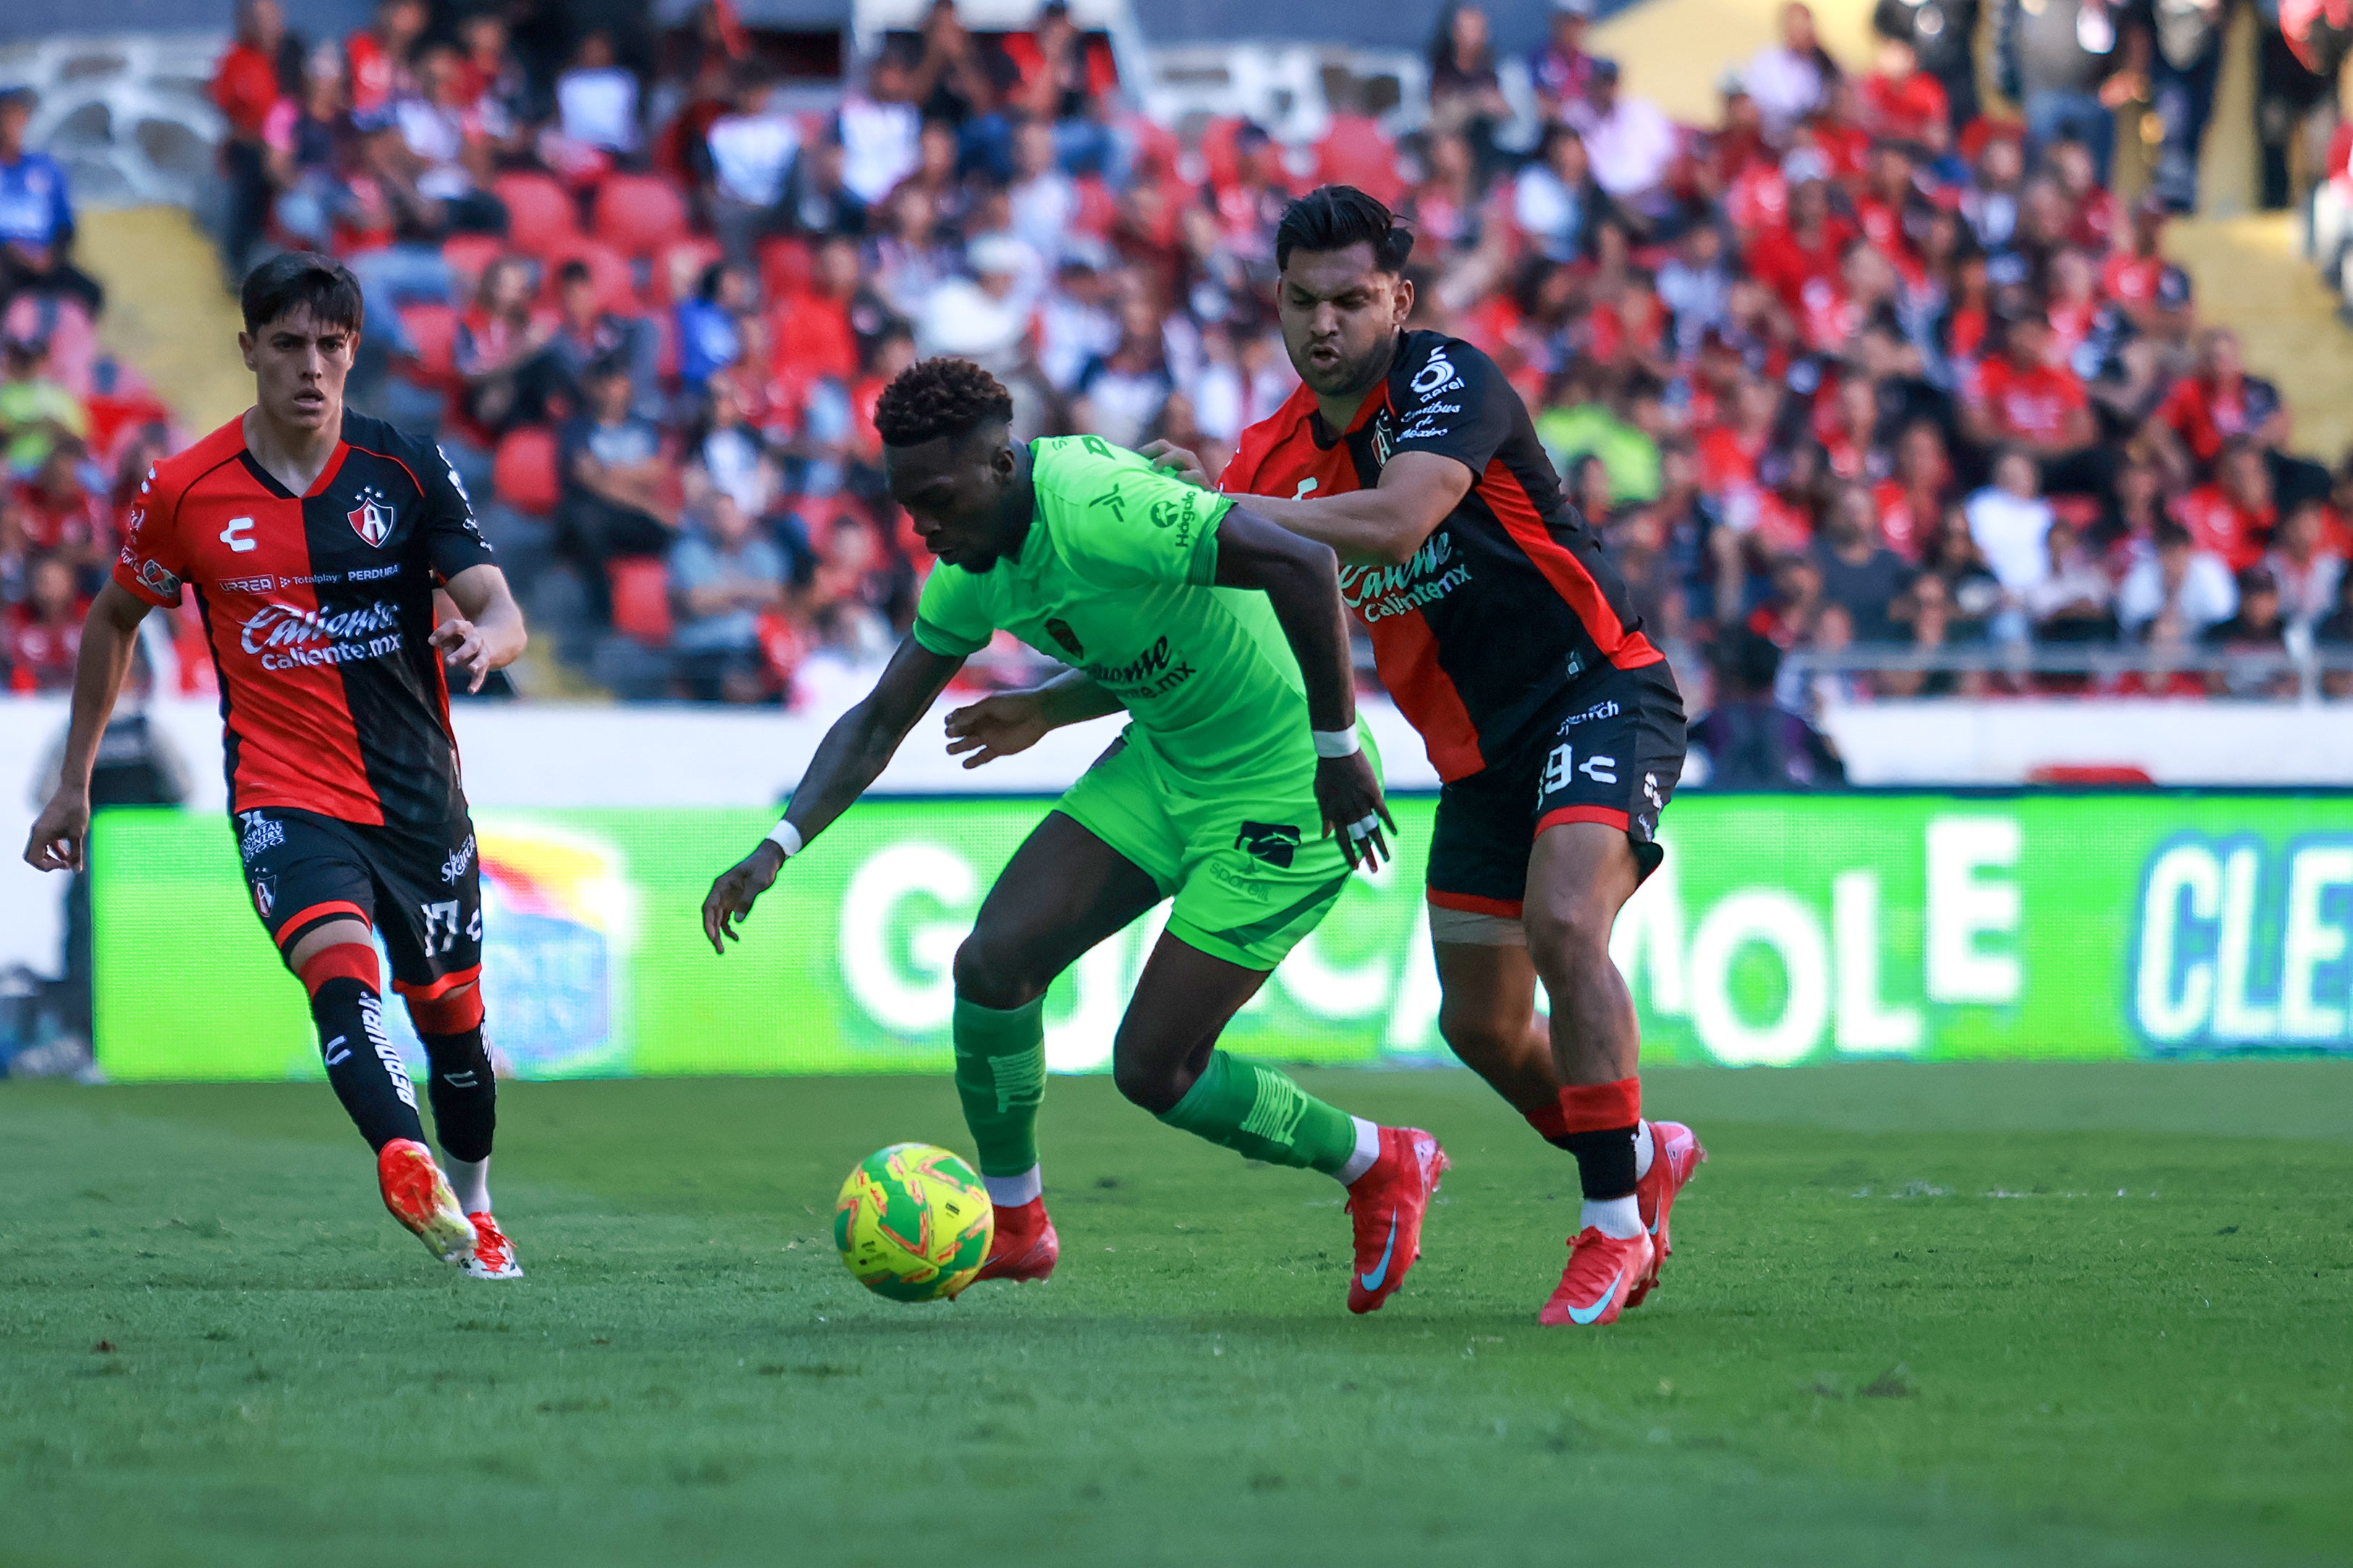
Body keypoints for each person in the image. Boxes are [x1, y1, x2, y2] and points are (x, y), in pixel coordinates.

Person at [700, 358, 1447, 1313]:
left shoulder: (1098, 506)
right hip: (1167, 758)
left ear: (1000, 464)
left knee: (1154, 1068)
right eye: (907, 505)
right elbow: (879, 720)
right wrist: (777, 844)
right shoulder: (972, 572)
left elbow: (1300, 565)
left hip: (1291, 783)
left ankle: (1378, 1159)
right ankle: (1017, 1224)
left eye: (937, 500)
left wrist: (1335, 748)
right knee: (993, 964)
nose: (923, 528)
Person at [1146, 186, 1705, 1328]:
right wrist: (1071, 667)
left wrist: (1219, 514)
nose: (1325, 324)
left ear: (1397, 299)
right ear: (1277, 301)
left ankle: (1612, 1225)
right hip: (1477, 758)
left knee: (1563, 921)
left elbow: (1397, 521)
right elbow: (1214, 596)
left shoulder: (1449, 379)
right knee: (1479, 1026)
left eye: (1351, 299)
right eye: (1303, 301)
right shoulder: (1270, 455)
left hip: (1597, 689)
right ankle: (1641, 1152)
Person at [20, 251, 528, 1277]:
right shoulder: (186, 489)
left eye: (330, 345)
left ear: (354, 351)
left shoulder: (406, 467)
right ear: (248, 348)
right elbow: (113, 618)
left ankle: (473, 1200)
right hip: (283, 792)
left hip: (418, 800)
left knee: (454, 1028)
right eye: (288, 344)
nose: (311, 366)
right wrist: (74, 780)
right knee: (337, 968)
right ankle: (402, 1155)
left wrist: (489, 639)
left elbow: (499, 604)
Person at [0, 87, 103, 317]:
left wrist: (51, 256)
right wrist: (12, 251)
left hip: (43, 263)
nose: (17, 125)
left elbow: (65, 224)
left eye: (22, 117)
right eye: (9, 117)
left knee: (89, 292)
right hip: (5, 262)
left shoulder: (45, 169)